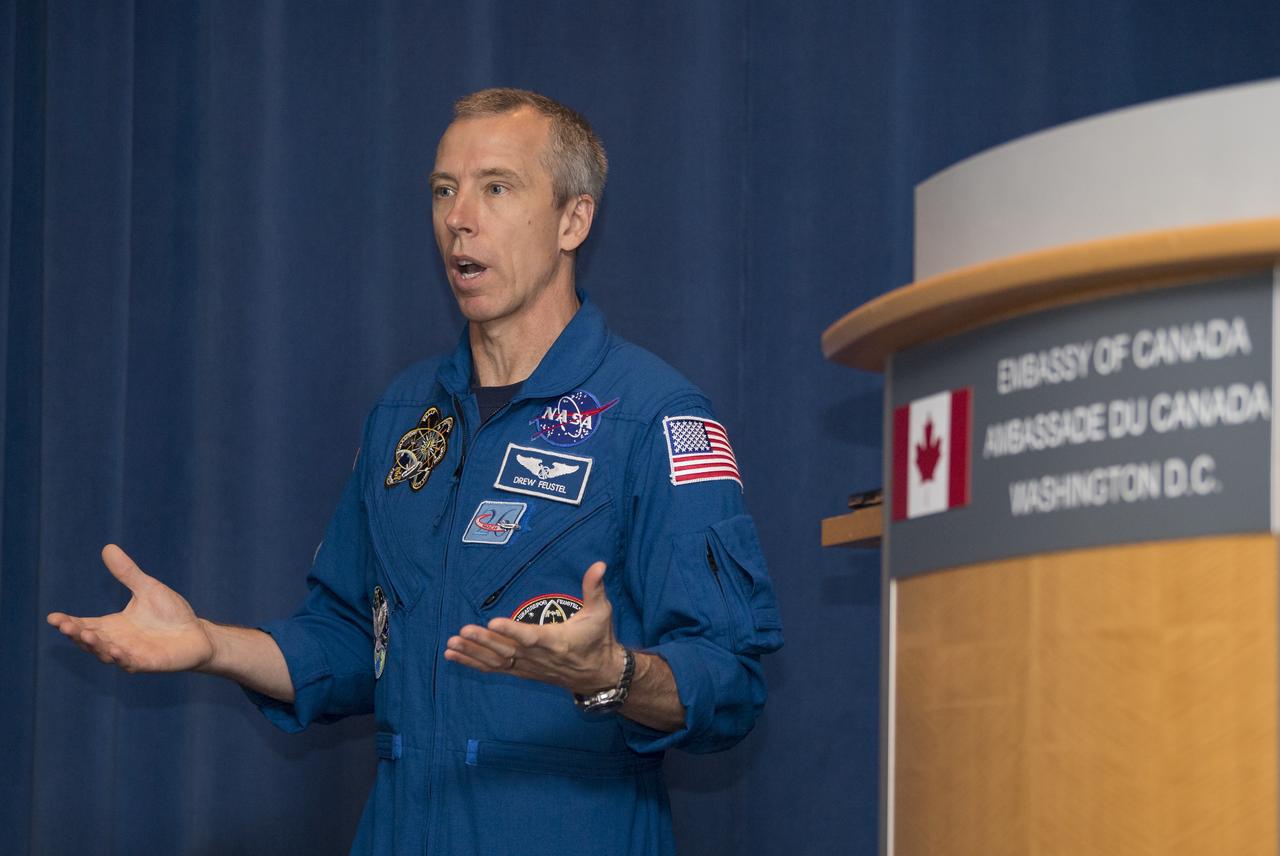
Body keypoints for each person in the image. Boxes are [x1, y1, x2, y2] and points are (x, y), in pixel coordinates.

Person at [48, 87, 783, 855]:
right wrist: (208, 644)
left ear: (574, 220)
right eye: (444, 190)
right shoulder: (403, 415)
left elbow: (730, 680)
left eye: (496, 187)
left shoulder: (655, 417)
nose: (459, 216)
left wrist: (612, 673)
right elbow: (351, 645)